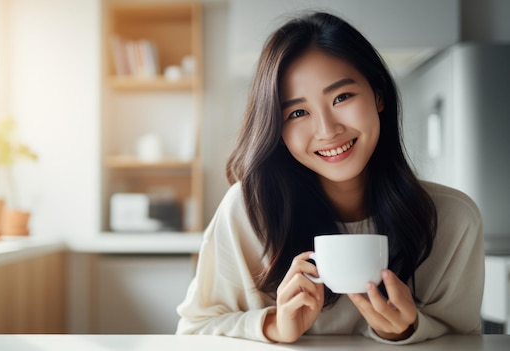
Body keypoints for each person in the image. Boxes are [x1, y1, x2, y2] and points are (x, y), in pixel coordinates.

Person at [176, 11, 484, 345]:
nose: (327, 130)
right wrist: (274, 326)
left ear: (378, 95)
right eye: (297, 113)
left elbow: (467, 341)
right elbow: (193, 332)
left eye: (342, 97)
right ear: (277, 130)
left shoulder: (453, 220)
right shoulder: (248, 212)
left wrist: (408, 330)